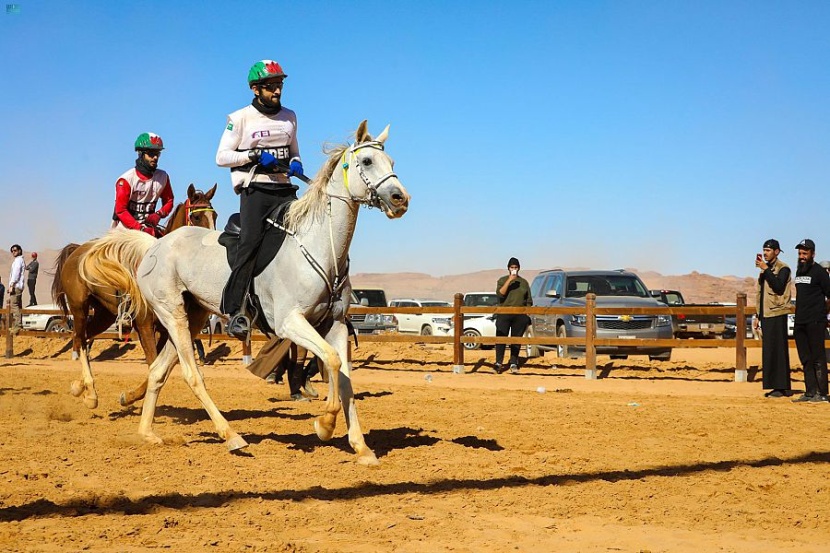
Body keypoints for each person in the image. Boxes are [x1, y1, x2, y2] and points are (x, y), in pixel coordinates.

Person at [216, 59, 304, 339]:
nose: (277, 91)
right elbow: (221, 157)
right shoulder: (239, 118)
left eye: (279, 85)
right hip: (256, 190)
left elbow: (294, 151)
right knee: (251, 244)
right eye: (270, 86)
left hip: (285, 190)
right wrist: (252, 156)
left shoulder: (290, 116)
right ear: (256, 89)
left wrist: (296, 163)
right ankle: (237, 310)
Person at [111, 133, 174, 237]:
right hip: (124, 230)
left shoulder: (163, 177)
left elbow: (169, 200)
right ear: (141, 154)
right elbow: (121, 211)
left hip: (149, 229)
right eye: (151, 154)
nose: (155, 158)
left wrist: (159, 214)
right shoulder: (126, 180)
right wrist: (140, 229)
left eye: (157, 154)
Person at [791, 239, 830, 403]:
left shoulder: (820, 272)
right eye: (800, 253)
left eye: (805, 253)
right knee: (805, 358)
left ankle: (822, 393)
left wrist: (823, 314)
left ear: (812, 254)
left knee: (818, 357)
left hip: (815, 321)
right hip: (800, 321)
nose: (801, 257)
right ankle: (809, 392)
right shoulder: (799, 272)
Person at [754, 239, 792, 398]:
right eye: (764, 250)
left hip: (777, 313)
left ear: (776, 252)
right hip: (766, 314)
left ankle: (782, 386)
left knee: (778, 350)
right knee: (769, 351)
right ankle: (774, 386)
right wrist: (757, 315)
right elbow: (760, 295)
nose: (765, 253)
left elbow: (778, 287)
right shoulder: (765, 270)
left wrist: (766, 270)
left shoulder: (783, 269)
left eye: (768, 250)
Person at [494, 257, 532, 374]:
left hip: (519, 315)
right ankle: (498, 363)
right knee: (501, 338)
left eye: (515, 267)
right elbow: (500, 294)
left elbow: (529, 300)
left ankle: (514, 362)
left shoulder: (524, 283)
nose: (514, 269)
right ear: (508, 269)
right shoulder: (502, 280)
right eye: (512, 267)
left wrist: (526, 313)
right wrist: (509, 280)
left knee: (516, 339)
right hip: (504, 314)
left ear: (519, 268)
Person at [8, 244, 25, 334]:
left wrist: (12, 285)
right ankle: (17, 325)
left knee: (14, 305)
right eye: (12, 251)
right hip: (17, 286)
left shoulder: (18, 261)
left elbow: (16, 273)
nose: (13, 252)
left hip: (16, 286)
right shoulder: (18, 260)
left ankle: (17, 325)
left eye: (15, 250)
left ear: (19, 250)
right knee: (17, 305)